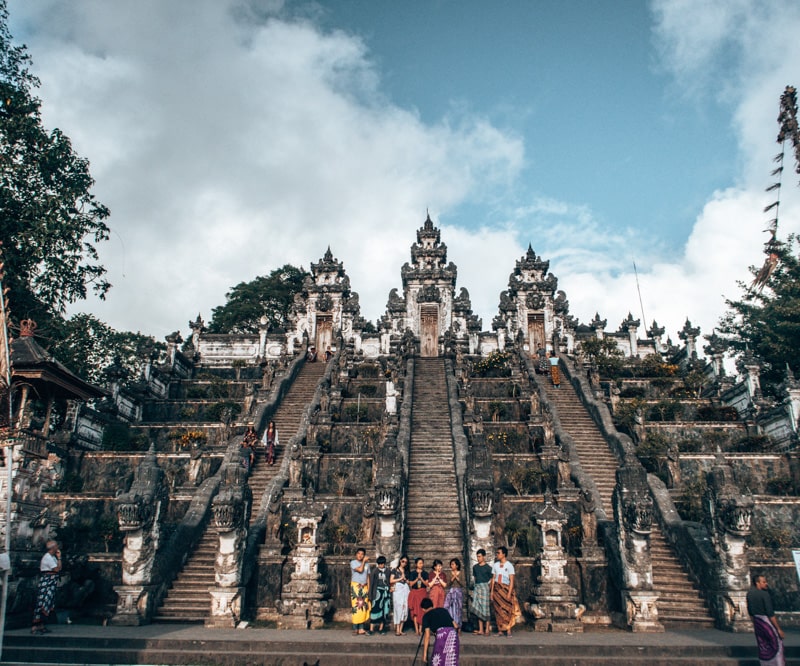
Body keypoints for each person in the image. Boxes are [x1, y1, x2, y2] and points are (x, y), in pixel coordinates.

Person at [747, 574, 785, 666]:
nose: (766, 583)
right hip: (766, 621)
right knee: (776, 644)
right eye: (763, 582)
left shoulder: (749, 594)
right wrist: (778, 629)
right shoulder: (764, 594)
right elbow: (770, 613)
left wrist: (755, 623)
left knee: (762, 645)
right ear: (757, 583)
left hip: (757, 622)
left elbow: (750, 611)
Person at [31, 540, 61, 634]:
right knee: (43, 602)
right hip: (47, 581)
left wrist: (59, 558)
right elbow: (56, 569)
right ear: (53, 548)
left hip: (52, 581)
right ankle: (35, 625)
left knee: (48, 602)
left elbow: (59, 568)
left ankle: (41, 625)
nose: (57, 547)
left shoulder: (53, 557)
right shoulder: (47, 557)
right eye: (56, 546)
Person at [490, 546, 520, 637]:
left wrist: (509, 592)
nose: (497, 555)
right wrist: (491, 592)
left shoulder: (509, 565)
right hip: (497, 588)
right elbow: (493, 578)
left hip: (506, 588)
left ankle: (508, 629)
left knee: (507, 609)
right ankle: (500, 630)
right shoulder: (495, 565)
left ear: (504, 554)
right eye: (497, 553)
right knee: (498, 610)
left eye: (499, 553)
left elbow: (511, 580)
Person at [420, 597, 459, 666]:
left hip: (442, 636)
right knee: (451, 661)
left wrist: (424, 654)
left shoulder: (426, 616)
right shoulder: (443, 610)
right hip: (452, 635)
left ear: (423, 609)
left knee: (438, 660)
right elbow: (456, 626)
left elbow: (427, 636)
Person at [471, 548, 493, 635]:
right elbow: (475, 579)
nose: (478, 558)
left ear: (484, 557)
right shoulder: (475, 567)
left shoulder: (488, 568)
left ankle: (487, 629)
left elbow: (491, 579)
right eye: (477, 557)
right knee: (479, 609)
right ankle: (481, 629)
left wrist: (489, 589)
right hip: (477, 588)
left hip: (485, 588)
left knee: (486, 609)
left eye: (479, 556)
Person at [368, 555, 391, 634]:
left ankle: (381, 628)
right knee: (374, 610)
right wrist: (370, 595)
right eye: (380, 564)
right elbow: (371, 584)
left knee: (384, 611)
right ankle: (371, 629)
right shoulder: (374, 571)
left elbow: (389, 582)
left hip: (385, 592)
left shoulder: (388, 571)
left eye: (383, 564)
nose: (381, 565)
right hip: (377, 593)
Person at [350, 548, 370, 635]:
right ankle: (355, 628)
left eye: (362, 554)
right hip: (356, 586)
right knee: (356, 607)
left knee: (363, 607)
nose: (360, 555)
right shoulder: (353, 563)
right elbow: (360, 570)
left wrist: (368, 588)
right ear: (356, 554)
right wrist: (364, 562)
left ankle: (361, 628)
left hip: (364, 587)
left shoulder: (367, 565)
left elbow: (368, 577)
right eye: (359, 553)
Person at [408, 557, 429, 636]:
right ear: (416, 564)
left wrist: (421, 579)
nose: (421, 565)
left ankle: (420, 629)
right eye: (419, 563)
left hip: (422, 593)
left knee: (421, 611)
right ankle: (416, 629)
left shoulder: (425, 573)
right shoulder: (413, 573)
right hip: (415, 593)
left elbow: (427, 584)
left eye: (422, 563)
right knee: (415, 611)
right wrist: (417, 579)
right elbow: (411, 584)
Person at [390, 555, 410, 636]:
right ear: (400, 561)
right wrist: (400, 578)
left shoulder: (407, 571)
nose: (404, 563)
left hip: (405, 589)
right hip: (398, 589)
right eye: (403, 561)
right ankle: (397, 629)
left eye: (406, 562)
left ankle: (401, 629)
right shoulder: (395, 570)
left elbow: (409, 582)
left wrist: (405, 579)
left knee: (405, 609)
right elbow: (391, 580)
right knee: (398, 608)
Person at [444, 558, 464, 632]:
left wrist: (457, 578)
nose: (452, 566)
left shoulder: (461, 573)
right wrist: (452, 578)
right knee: (450, 609)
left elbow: (463, 584)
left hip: (458, 592)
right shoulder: (449, 573)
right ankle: (452, 626)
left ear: (457, 565)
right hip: (451, 592)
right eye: (451, 564)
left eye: (453, 564)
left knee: (458, 609)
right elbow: (448, 584)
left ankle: (459, 628)